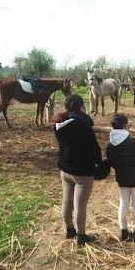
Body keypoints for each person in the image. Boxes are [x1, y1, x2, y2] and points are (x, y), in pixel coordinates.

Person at [51, 94, 102, 246]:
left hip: (65, 169)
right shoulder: (84, 124)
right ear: (81, 107)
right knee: (80, 205)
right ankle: (81, 235)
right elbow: (94, 148)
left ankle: (69, 230)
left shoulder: (59, 123)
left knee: (67, 201)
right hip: (82, 172)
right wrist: (99, 163)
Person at [105, 113, 135, 243]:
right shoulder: (134, 142)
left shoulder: (109, 146)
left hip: (122, 177)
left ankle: (124, 232)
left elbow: (111, 162)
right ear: (125, 125)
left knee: (123, 204)